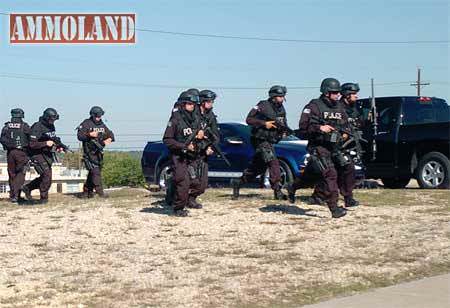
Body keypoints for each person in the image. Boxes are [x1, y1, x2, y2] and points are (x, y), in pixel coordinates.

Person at [288, 78, 355, 218]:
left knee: (310, 177)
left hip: (334, 148)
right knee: (330, 175)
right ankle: (334, 208)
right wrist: (319, 128)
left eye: (338, 92)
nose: (338, 95)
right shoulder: (313, 106)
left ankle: (292, 187)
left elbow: (345, 125)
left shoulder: (339, 107)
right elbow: (303, 127)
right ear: (326, 92)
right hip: (318, 147)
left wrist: (343, 134)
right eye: (335, 92)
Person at [231, 85, 291, 200]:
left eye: (283, 96)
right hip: (260, 140)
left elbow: (284, 123)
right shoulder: (262, 105)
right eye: (280, 96)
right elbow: (249, 119)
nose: (282, 99)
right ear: (273, 97)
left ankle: (238, 182)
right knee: (273, 161)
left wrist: (285, 131)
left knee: (258, 168)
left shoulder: (281, 109)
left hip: (270, 140)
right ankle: (277, 191)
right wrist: (264, 124)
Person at [163, 91, 204, 216]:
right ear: (182, 104)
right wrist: (184, 146)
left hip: (193, 156)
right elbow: (167, 140)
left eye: (194, 104)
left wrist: (200, 136)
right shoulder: (175, 120)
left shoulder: (195, 119)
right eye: (189, 104)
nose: (192, 106)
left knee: (198, 183)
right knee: (183, 182)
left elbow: (200, 133)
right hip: (179, 156)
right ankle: (178, 208)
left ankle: (174, 185)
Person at [22, 108, 69, 204]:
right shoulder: (37, 127)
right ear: (46, 118)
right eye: (51, 119)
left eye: (54, 120)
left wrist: (59, 146)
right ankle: (43, 198)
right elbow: (32, 144)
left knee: (46, 176)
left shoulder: (51, 126)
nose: (53, 121)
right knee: (47, 175)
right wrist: (45, 143)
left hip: (47, 154)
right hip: (36, 154)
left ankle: (28, 187)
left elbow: (53, 138)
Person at [77, 106, 115, 198]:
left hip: (99, 153)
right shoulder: (86, 123)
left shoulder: (102, 124)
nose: (99, 118)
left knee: (92, 173)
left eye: (100, 116)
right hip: (89, 153)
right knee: (95, 172)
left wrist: (109, 139)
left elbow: (110, 134)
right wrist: (89, 134)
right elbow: (79, 136)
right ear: (93, 115)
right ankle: (100, 192)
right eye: (97, 116)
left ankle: (87, 192)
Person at [0, 108, 31, 203]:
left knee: (12, 174)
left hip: (10, 153)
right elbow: (31, 139)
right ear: (21, 115)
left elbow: (2, 139)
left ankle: (13, 195)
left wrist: (9, 146)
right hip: (21, 153)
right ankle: (16, 196)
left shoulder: (6, 126)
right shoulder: (24, 126)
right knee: (21, 173)